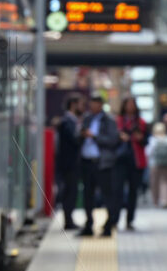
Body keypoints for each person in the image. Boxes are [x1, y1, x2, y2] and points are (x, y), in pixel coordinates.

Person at [79, 93, 120, 237]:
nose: (93, 106)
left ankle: (109, 225)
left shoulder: (109, 120)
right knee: (87, 195)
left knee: (107, 196)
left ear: (101, 105)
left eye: (95, 103)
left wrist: (94, 136)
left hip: (102, 163)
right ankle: (88, 225)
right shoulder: (87, 119)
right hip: (86, 162)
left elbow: (113, 140)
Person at [115, 96, 148, 230]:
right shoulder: (117, 121)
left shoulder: (141, 122)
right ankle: (114, 219)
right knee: (117, 190)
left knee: (133, 191)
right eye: (127, 104)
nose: (130, 107)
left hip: (136, 161)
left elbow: (146, 141)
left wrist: (140, 138)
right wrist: (120, 138)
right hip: (120, 161)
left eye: (132, 104)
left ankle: (129, 220)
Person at [56, 93, 85, 230]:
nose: (82, 107)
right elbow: (74, 140)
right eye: (80, 104)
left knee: (72, 192)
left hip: (71, 164)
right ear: (73, 105)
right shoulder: (68, 121)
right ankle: (68, 221)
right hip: (69, 164)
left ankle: (69, 219)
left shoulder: (72, 121)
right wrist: (83, 135)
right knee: (70, 192)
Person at [146, 122, 167, 207]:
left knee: (154, 183)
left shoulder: (153, 139)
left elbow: (148, 152)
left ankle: (155, 201)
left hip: (154, 163)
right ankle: (165, 201)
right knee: (165, 182)